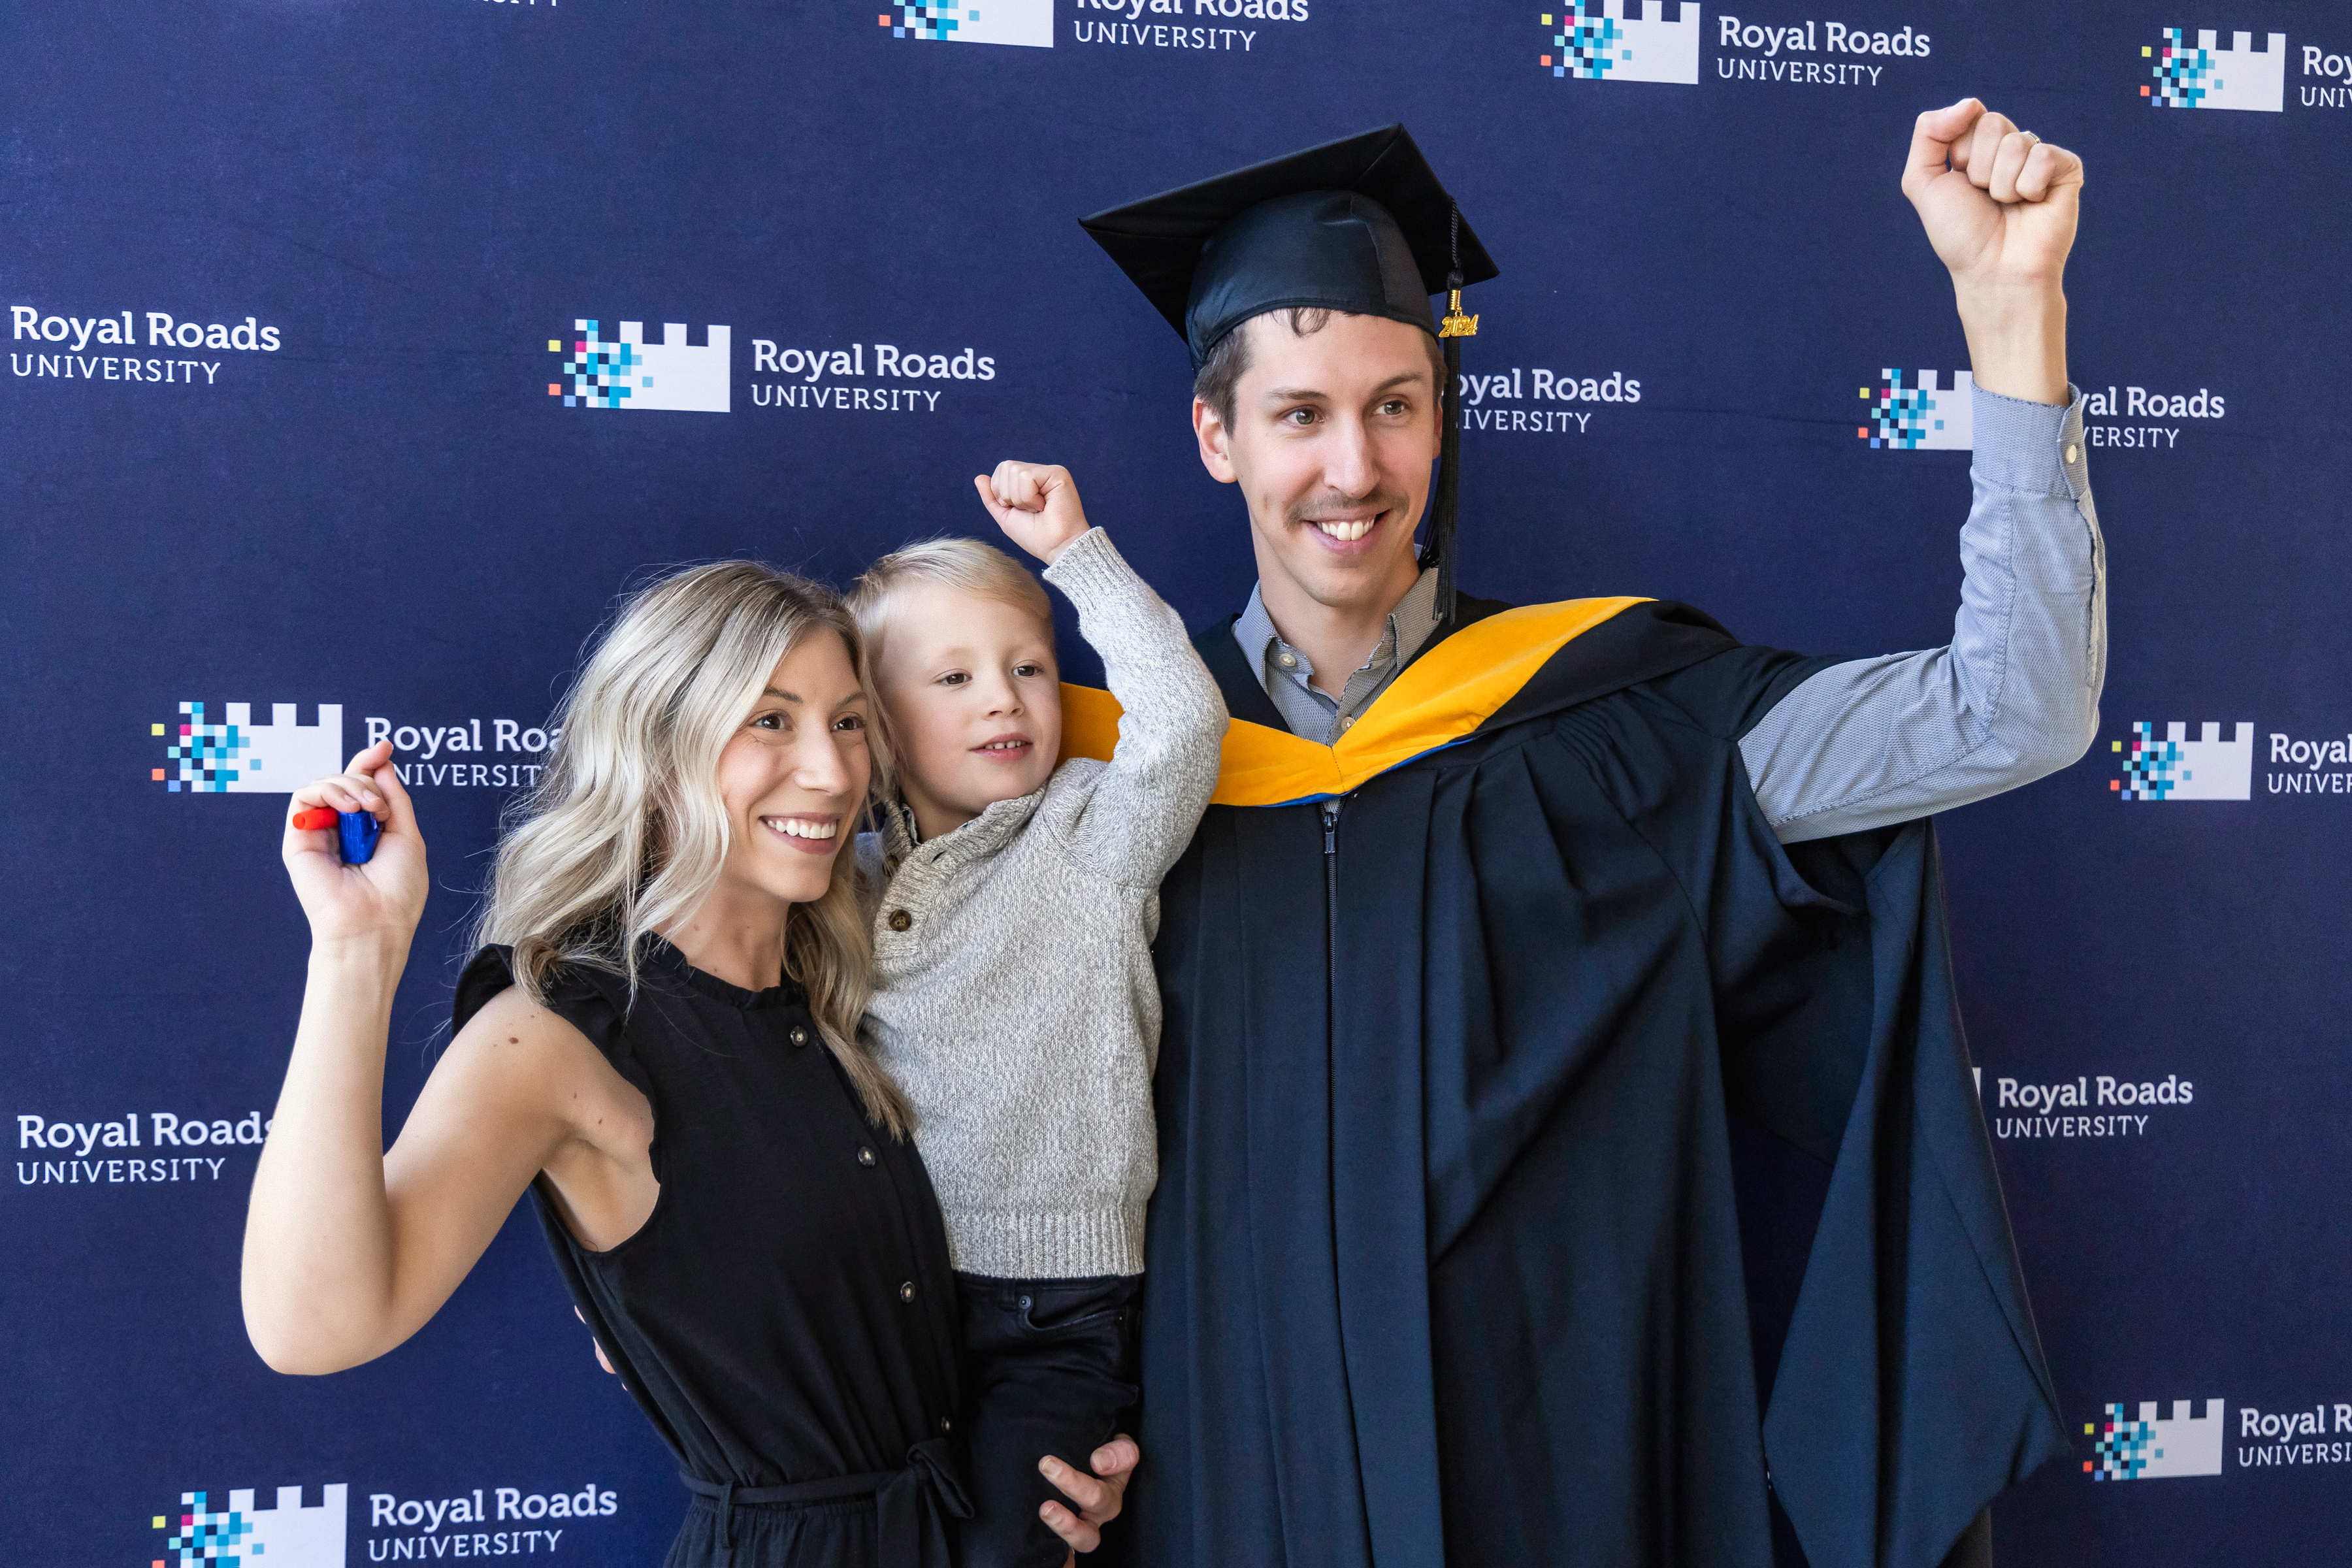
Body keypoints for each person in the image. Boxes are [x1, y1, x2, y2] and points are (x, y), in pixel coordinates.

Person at [1064, 105, 2100, 1567]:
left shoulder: (1622, 718)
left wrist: (2013, 312)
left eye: (1397, 404)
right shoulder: (1099, 771)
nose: (1354, 468)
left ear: (1442, 412)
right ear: (1216, 436)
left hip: (1560, 1472)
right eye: (1299, 414)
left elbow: (2016, 712)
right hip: (1229, 1469)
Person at [238, 563, 1134, 1568]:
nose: (832, 773)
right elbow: (310, 1327)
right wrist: (357, 953)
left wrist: (1043, 1462)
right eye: (770, 721)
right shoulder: (560, 1030)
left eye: (848, 722)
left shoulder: (849, 990)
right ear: (657, 748)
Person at [844, 464, 1225, 1568]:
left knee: (1013, 1548)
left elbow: (1184, 721)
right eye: (952, 678)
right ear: (872, 725)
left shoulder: (1091, 832)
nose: (1003, 698)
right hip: (892, 1295)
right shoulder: (842, 883)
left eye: (1028, 668)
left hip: (1059, 1316)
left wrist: (1078, 556)